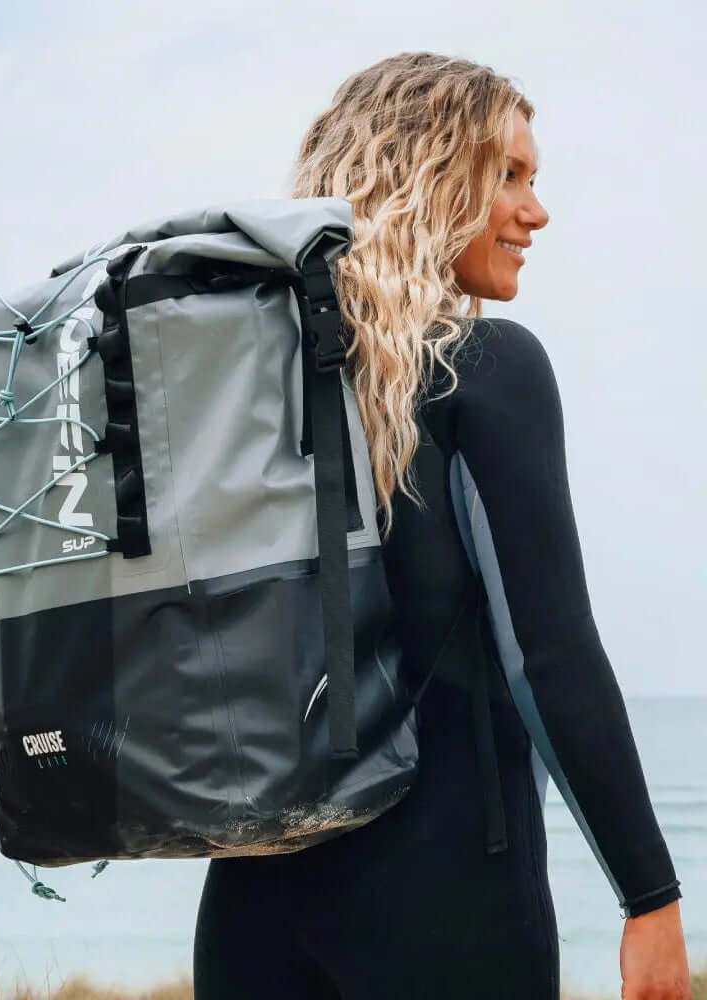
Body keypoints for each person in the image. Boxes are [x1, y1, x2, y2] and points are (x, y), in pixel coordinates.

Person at [193, 52, 691, 999]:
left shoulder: (246, 383)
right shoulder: (482, 367)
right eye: (507, 174)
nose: (534, 211)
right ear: (424, 174)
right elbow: (547, 652)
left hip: (252, 901)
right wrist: (650, 896)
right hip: (445, 899)